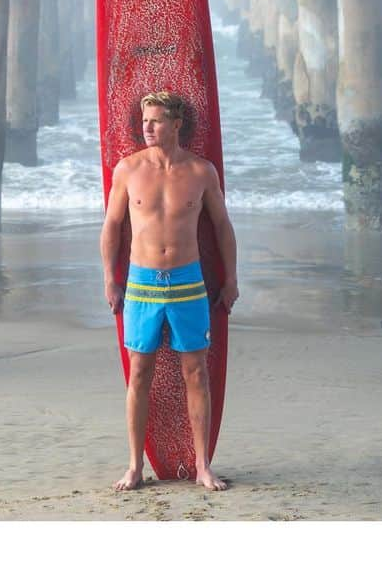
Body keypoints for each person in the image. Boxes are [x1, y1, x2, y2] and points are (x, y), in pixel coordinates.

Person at [100, 90, 239, 492]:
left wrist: (230, 279)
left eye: (156, 120)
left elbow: (222, 228)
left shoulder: (201, 172)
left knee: (196, 373)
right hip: (142, 284)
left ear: (176, 125)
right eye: (145, 120)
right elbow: (111, 227)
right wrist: (111, 279)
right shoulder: (127, 170)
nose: (147, 127)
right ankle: (134, 466)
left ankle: (202, 466)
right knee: (139, 374)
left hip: (187, 282)